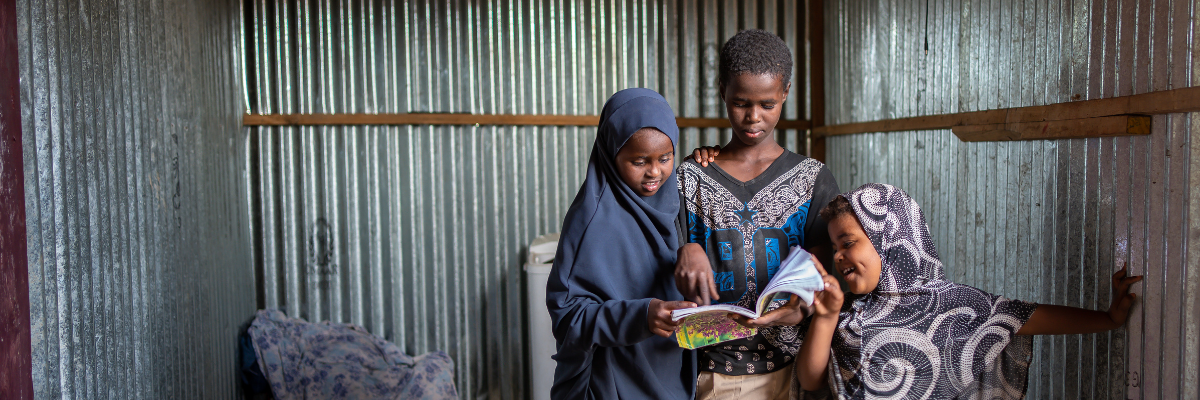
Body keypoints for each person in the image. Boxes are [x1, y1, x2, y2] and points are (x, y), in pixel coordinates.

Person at [797, 183, 1143, 399]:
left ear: (890, 239)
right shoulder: (848, 319)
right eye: (833, 246)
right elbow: (812, 382)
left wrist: (1109, 318)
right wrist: (825, 319)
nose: (838, 256)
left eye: (848, 243)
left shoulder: (958, 307)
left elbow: (1029, 318)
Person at [674, 29, 841, 399]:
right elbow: (660, 252)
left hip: (795, 365)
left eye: (767, 104)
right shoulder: (692, 178)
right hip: (715, 372)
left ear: (785, 92)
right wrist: (685, 249)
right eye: (740, 103)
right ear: (722, 91)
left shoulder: (813, 179)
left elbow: (825, 274)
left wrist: (801, 306)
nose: (753, 117)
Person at [546, 88, 698, 400]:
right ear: (611, 152)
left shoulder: (674, 201)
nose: (654, 172)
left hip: (670, 371)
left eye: (665, 158)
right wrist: (640, 316)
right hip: (612, 381)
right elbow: (567, 319)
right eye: (639, 161)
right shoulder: (591, 220)